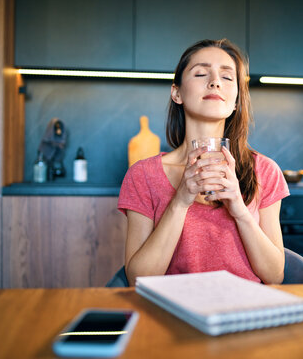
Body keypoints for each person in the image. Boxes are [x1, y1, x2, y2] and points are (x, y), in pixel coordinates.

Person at [118, 39, 289, 285]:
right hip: (172, 314)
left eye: (228, 78)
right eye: (200, 73)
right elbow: (138, 279)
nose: (215, 82)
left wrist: (240, 210)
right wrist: (180, 200)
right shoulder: (143, 175)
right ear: (177, 93)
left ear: (236, 101)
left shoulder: (265, 171)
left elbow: (275, 276)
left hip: (243, 314)